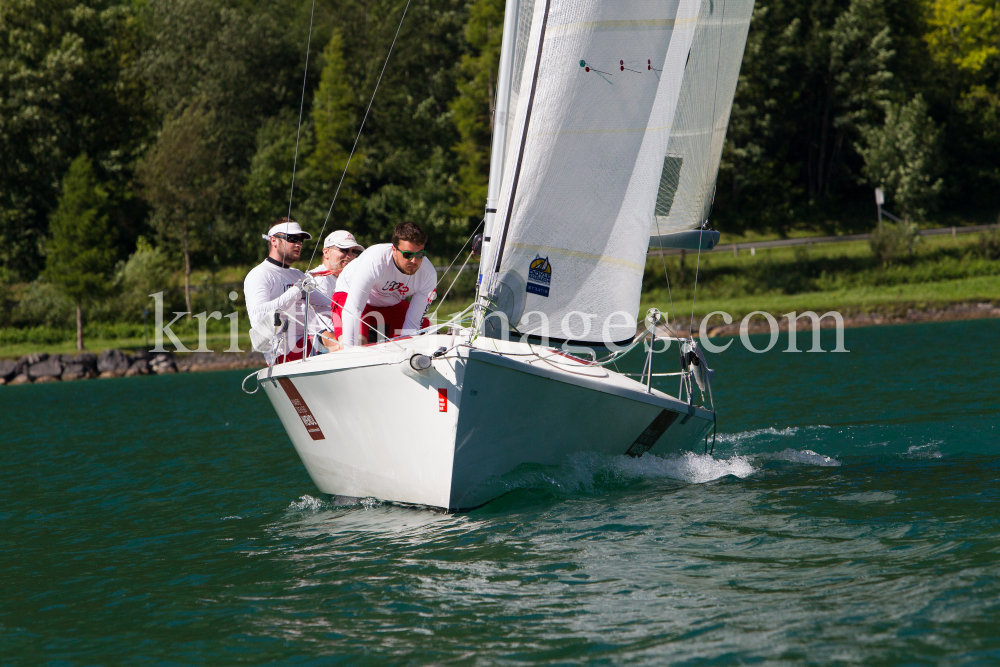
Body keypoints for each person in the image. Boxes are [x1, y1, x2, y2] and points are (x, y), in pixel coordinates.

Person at [244, 218, 341, 363]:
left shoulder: (297, 275)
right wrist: (295, 290)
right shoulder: (260, 274)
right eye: (292, 239)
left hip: (305, 344)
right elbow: (259, 315)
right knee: (330, 339)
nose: (298, 244)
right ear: (274, 240)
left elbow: (329, 305)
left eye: (301, 240)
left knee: (349, 338)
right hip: (282, 355)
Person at [332, 221, 436, 345]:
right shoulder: (375, 261)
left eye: (420, 254)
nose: (414, 261)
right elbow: (353, 309)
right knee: (357, 343)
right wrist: (351, 353)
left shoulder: (428, 275)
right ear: (394, 249)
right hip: (350, 296)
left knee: (428, 335)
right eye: (407, 254)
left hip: (390, 305)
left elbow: (412, 325)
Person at [306, 230, 364, 299]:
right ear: (326, 252)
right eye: (344, 250)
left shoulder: (354, 279)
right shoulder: (314, 280)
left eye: (354, 251)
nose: (350, 256)